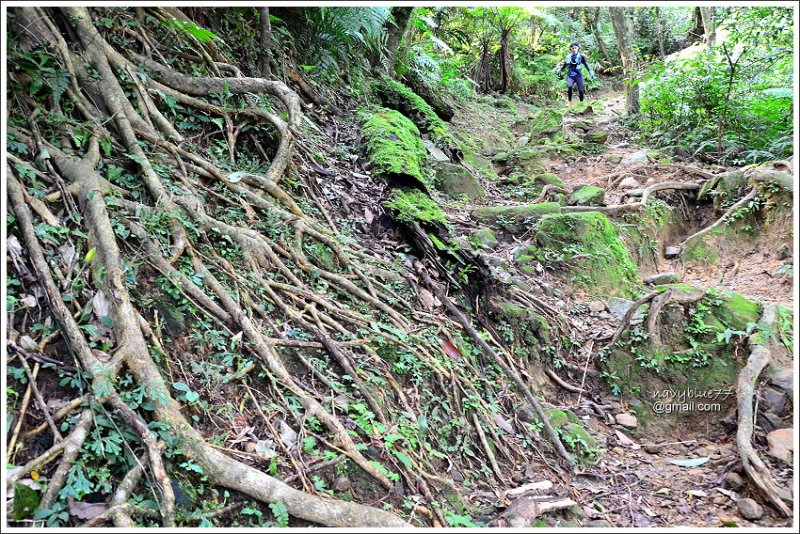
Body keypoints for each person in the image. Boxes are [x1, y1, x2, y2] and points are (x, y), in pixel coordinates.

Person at [557, 42, 595, 107]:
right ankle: (570, 102)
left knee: (581, 89)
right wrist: (560, 70)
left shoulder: (581, 57)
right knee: (569, 86)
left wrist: (590, 71)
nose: (574, 49)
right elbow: (565, 64)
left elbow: (586, 64)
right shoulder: (568, 57)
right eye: (572, 48)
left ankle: (581, 102)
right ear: (570, 49)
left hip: (578, 75)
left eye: (575, 48)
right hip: (570, 75)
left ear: (578, 48)